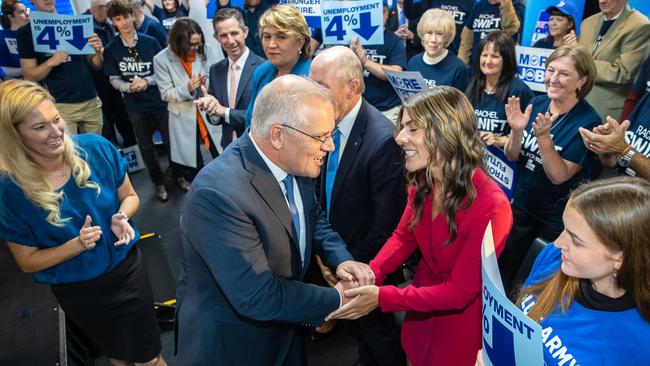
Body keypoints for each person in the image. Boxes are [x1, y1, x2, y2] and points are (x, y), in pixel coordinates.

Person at [175, 75, 373, 366]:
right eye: (321, 137)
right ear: (278, 135)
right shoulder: (217, 194)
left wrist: (340, 259)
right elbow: (257, 295)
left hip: (285, 329)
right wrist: (339, 299)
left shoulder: (295, 160)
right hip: (235, 347)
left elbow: (312, 217)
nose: (330, 147)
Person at [327, 86, 513, 366]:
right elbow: (403, 239)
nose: (400, 138)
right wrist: (367, 275)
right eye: (402, 127)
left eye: (413, 129)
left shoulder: (493, 207)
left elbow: (459, 292)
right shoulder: (424, 181)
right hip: (419, 317)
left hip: (458, 334)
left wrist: (382, 297)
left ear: (446, 133)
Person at [0, 79, 165, 366]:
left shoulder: (96, 148)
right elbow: (27, 261)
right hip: (78, 292)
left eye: (56, 120)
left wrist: (122, 215)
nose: (56, 132)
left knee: (148, 359)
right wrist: (77, 245)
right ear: (15, 135)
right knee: (118, 357)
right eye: (40, 127)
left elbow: (130, 197)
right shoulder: (10, 192)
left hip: (125, 274)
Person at [310, 46, 407, 366]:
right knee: (364, 337)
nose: (313, 93)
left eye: (321, 86)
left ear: (351, 87)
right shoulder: (325, 123)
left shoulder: (382, 140)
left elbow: (387, 225)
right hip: (340, 258)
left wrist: (348, 268)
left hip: (369, 267)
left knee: (379, 336)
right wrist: (331, 256)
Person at [497, 45, 600, 294]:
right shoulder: (538, 102)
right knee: (504, 270)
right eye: (550, 70)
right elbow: (512, 155)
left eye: (563, 74)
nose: (553, 79)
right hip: (522, 206)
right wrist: (517, 130)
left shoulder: (588, 121)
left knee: (533, 282)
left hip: (554, 220)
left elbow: (559, 176)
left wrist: (544, 138)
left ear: (582, 80)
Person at [514, 177, 650, 365]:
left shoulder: (639, 344)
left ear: (620, 258)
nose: (559, 243)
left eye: (576, 240)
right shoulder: (555, 257)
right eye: (564, 228)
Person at [104, 0, 177, 202]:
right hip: (136, 108)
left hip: (159, 102)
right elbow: (113, 79)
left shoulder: (149, 41)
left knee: (172, 143)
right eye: (118, 19)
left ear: (132, 15)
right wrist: (129, 87)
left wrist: (147, 80)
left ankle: (178, 175)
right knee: (146, 148)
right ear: (113, 22)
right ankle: (159, 183)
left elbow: (163, 71)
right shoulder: (111, 49)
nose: (124, 22)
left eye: (126, 16)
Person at [17, 0, 104, 135]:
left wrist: (98, 51)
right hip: (60, 105)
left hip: (91, 100)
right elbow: (29, 75)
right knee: (69, 153)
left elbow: (96, 65)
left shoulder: (76, 23)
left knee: (95, 149)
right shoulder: (26, 32)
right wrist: (51, 62)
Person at [154, 17, 220, 182]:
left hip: (207, 110)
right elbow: (166, 93)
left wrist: (207, 83)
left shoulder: (207, 50)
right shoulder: (161, 59)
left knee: (220, 152)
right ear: (178, 42)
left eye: (198, 43)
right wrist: (187, 89)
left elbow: (216, 78)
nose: (195, 48)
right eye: (191, 44)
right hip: (182, 115)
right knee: (193, 163)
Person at [194, 7, 263, 149]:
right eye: (224, 35)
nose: (230, 41)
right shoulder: (215, 70)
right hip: (227, 148)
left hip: (256, 150)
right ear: (216, 38)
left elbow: (260, 119)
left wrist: (222, 111)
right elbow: (215, 119)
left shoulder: (263, 68)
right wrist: (211, 109)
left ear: (245, 32)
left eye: (234, 33)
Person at [579, 55, 650, 181]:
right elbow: (613, 164)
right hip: (623, 187)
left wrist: (623, 149)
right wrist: (607, 149)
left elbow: (625, 151)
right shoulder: (646, 100)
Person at [578, 0, 650, 121]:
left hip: (606, 112)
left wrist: (583, 64)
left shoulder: (639, 25)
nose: (602, 1)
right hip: (577, 104)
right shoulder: (587, 23)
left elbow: (622, 73)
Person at [244, 4, 312, 128]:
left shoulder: (313, 79)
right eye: (267, 36)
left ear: (300, 42)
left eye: (281, 37)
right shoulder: (260, 72)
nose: (271, 44)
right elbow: (250, 122)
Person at [85, 0, 138, 148]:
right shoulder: (86, 26)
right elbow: (94, 63)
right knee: (107, 126)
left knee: (123, 119)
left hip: (115, 81)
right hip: (98, 84)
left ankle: (132, 152)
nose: (109, 13)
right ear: (96, 8)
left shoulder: (107, 24)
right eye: (105, 8)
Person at [466, 31, 533, 148]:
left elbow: (531, 134)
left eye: (495, 56)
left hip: (504, 160)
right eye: (484, 55)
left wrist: (501, 140)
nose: (488, 61)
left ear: (507, 59)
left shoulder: (520, 90)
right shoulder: (474, 84)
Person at [349, 2, 407, 124]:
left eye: (380, 13)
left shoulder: (395, 41)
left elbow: (396, 73)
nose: (374, 17)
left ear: (386, 14)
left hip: (386, 111)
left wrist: (366, 62)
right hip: (357, 108)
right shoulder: (353, 39)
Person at [406, 8, 469, 91]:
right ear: (422, 34)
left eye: (439, 34)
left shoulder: (458, 68)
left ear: (447, 37)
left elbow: (461, 103)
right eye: (429, 33)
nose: (433, 39)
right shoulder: (413, 63)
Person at [458, 0, 524, 66]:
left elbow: (511, 29)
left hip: (499, 66)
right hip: (476, 67)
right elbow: (466, 41)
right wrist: (462, 64)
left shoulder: (516, 5)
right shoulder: (479, 5)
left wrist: (505, 3)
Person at [403, 0, 475, 55]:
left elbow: (471, 35)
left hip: (455, 54)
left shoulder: (471, 3)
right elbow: (411, 15)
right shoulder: (430, 1)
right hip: (430, 53)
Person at [0, 0, 29, 78]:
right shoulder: (2, 37)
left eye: (26, 11)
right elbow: (1, 69)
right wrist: (30, 70)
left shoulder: (34, 35)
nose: (27, 14)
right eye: (21, 12)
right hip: (14, 86)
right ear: (11, 17)